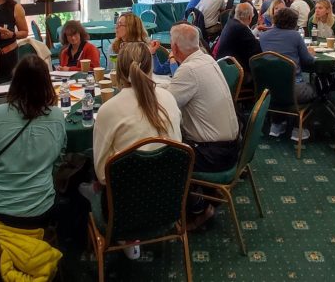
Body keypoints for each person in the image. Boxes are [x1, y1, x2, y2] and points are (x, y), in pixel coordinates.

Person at [0, 55, 66, 229]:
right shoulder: (57, 116)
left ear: (14, 82)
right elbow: (58, 161)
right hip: (40, 210)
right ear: (48, 84)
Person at [165, 24, 240, 226]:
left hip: (214, 154)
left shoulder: (188, 70)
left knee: (164, 156)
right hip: (231, 146)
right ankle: (208, 191)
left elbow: (165, 107)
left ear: (174, 47)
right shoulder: (206, 59)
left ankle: (199, 209)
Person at [93, 41, 181, 185]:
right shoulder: (169, 98)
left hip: (126, 199)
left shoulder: (108, 110)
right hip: (171, 191)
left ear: (119, 71)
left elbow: (102, 175)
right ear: (151, 68)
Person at [259, 9, 318, 140]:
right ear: (294, 22)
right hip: (293, 89)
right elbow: (307, 60)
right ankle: (298, 129)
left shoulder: (263, 36)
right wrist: (312, 55)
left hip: (267, 90)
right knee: (314, 89)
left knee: (279, 80)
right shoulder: (295, 36)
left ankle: (277, 124)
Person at [216, 2, 262, 80]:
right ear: (250, 17)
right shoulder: (241, 28)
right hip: (235, 72)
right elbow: (258, 51)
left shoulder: (231, 22)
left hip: (224, 66)